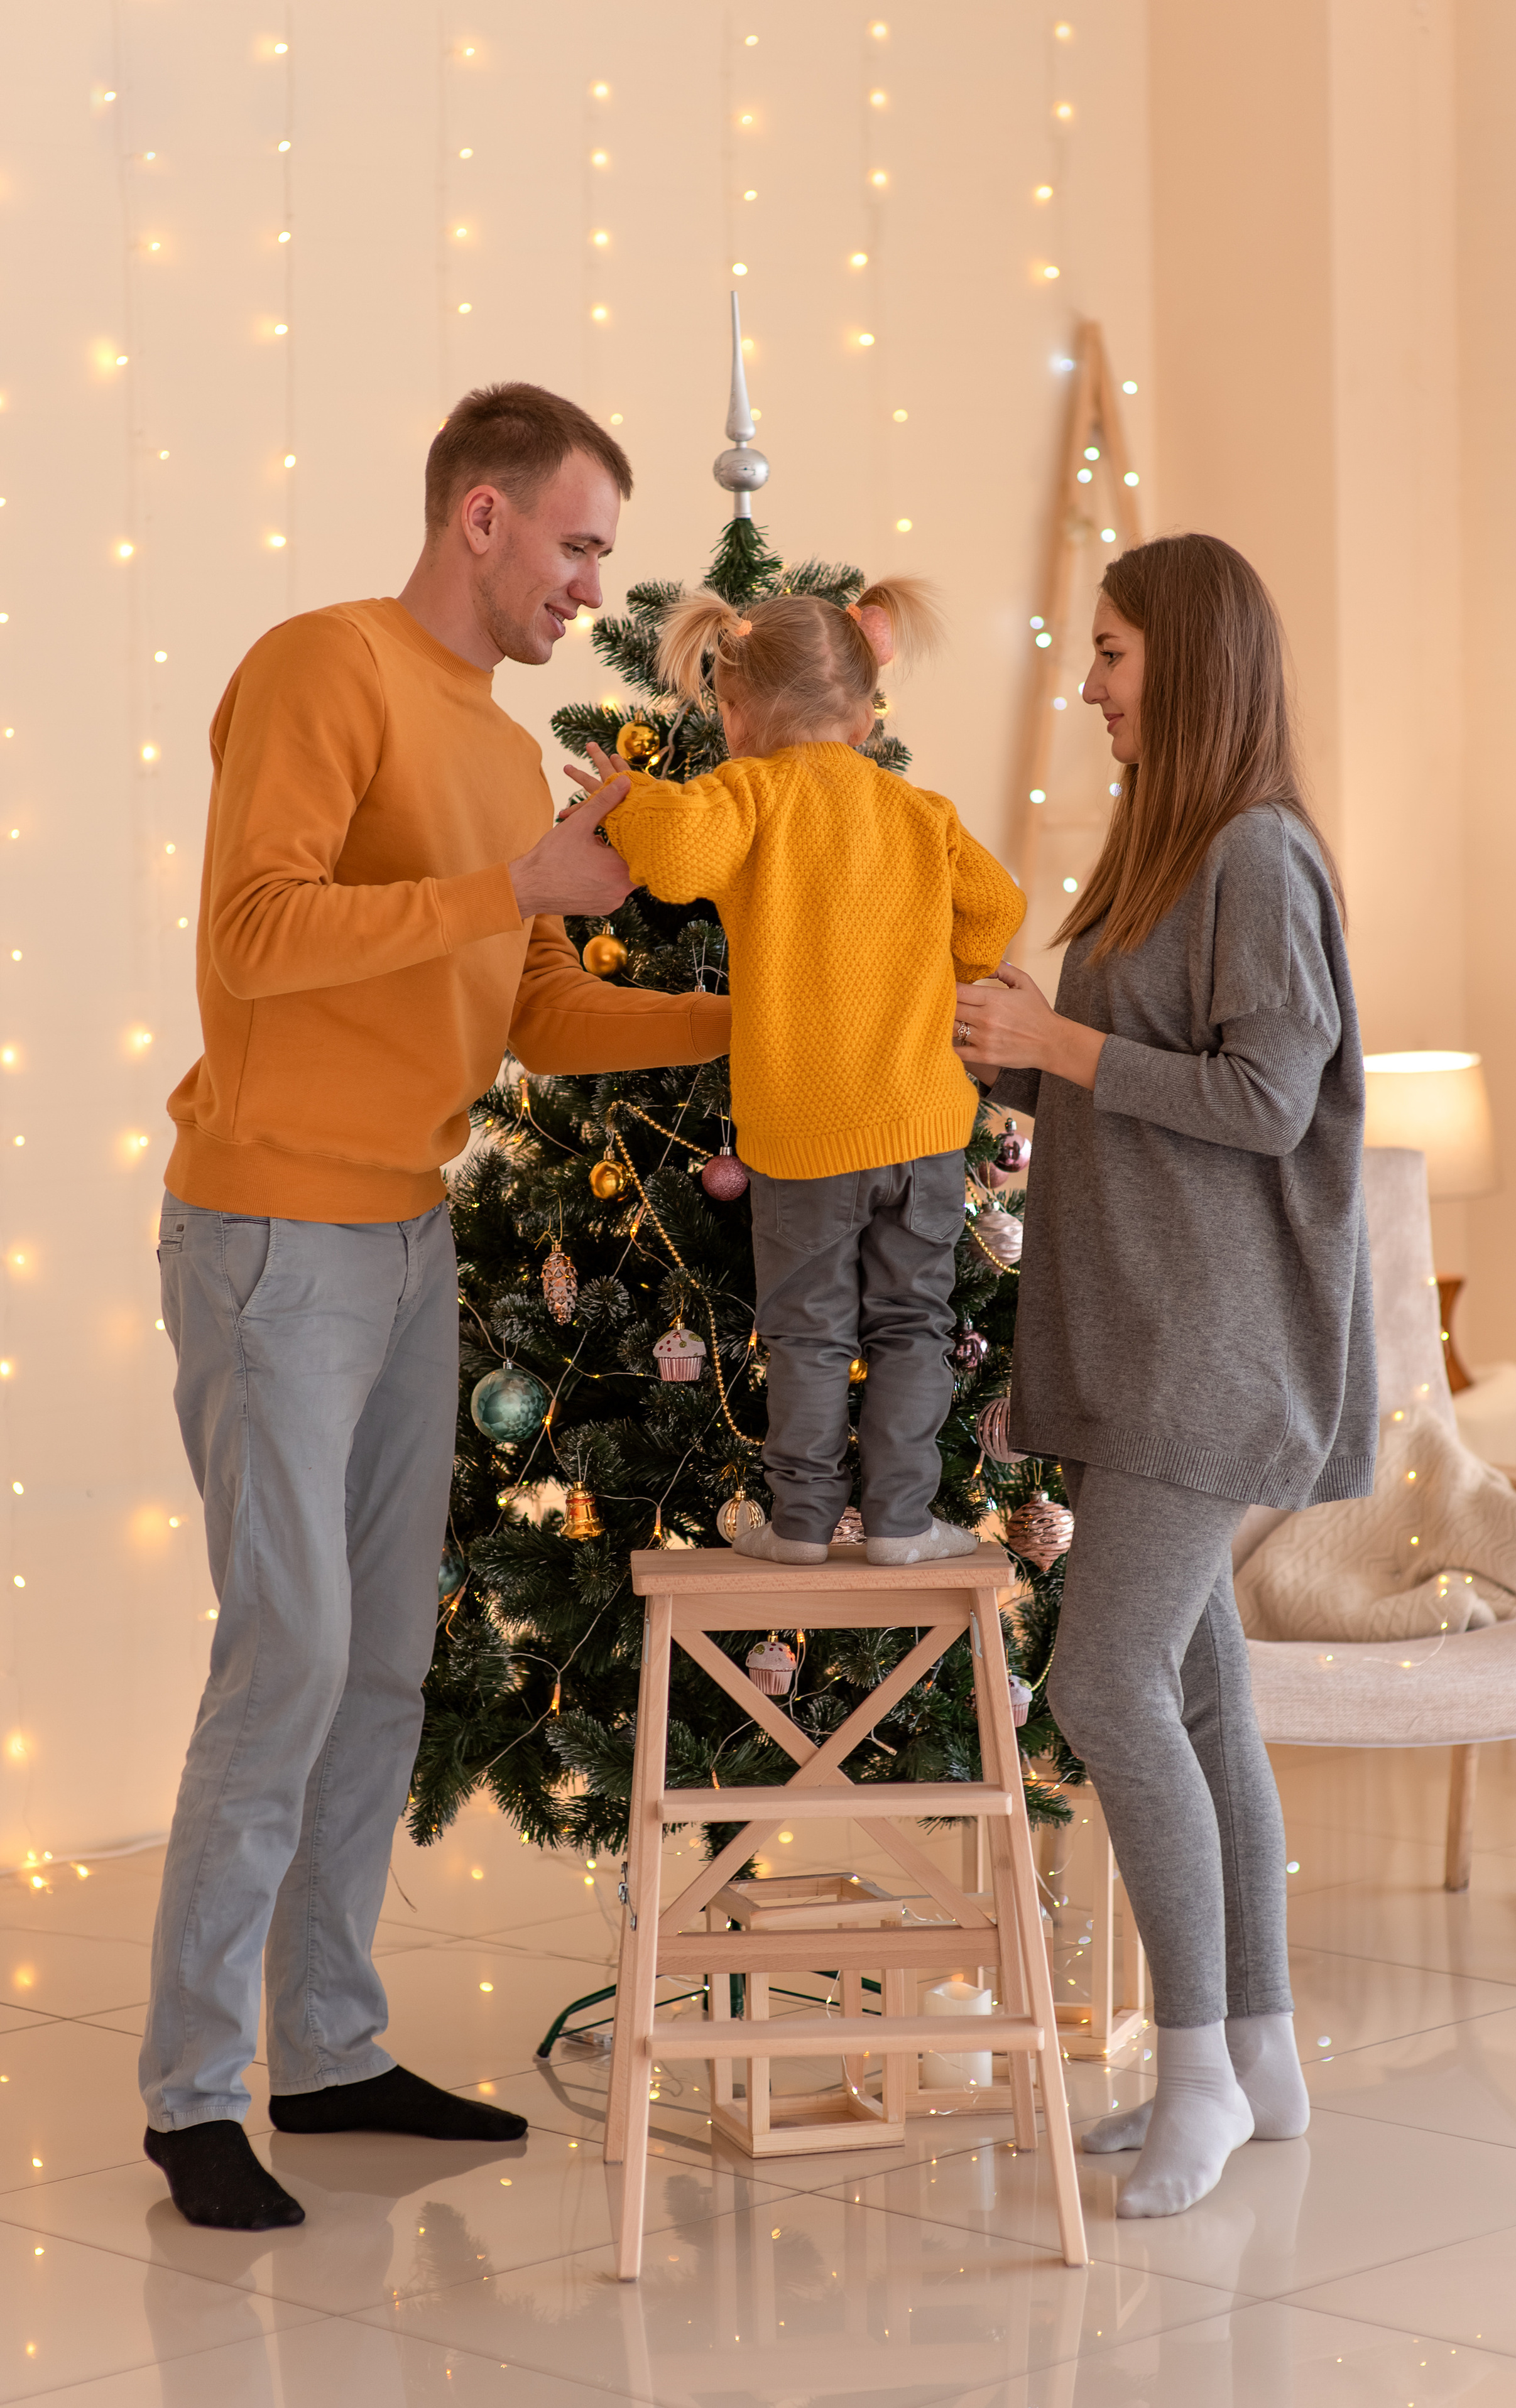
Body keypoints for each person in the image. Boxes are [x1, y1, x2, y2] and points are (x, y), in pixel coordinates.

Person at [141, 383, 731, 2232]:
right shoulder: (322, 669)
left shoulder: (506, 744)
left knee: (388, 1654)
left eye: (601, 559)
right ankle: (188, 2093)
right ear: (480, 516)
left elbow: (539, 1010)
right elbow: (251, 932)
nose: (587, 584)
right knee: (291, 1655)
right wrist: (507, 881)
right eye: (574, 544)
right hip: (269, 1236)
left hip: (407, 1247)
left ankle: (326, 2050)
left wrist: (755, 1025)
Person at [954, 533, 1376, 2218]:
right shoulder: (1160, 852)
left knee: (1102, 1685)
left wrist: (1058, 1045)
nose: (1090, 682)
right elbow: (1154, 1095)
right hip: (1146, 1335)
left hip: (1212, 1356)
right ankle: (1254, 2054)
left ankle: (1190, 2062)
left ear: (1186, 663)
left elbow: (1269, 1101)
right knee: (1201, 1692)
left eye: (1114, 652)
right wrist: (1023, 1066)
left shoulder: (1260, 859)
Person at [569, 580, 1022, 1565]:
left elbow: (678, 862)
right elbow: (995, 907)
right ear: (864, 711)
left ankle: (804, 1525)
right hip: (926, 1129)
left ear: (735, 712)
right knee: (913, 1323)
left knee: (811, 1334)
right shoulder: (918, 808)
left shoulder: (748, 794)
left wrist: (631, 798)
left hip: (805, 1133)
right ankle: (903, 1521)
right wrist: (949, 972)